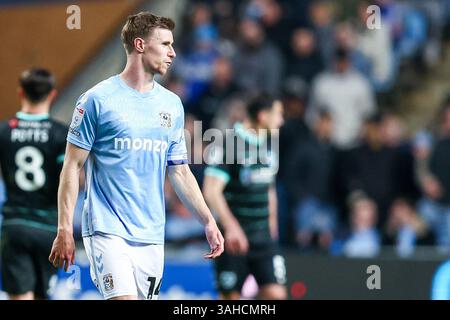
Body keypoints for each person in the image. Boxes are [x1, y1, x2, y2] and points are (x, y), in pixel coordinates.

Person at [48, 12, 224, 301]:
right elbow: (71, 166)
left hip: (152, 233)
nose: (173, 53)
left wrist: (207, 220)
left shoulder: (172, 105)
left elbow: (179, 171)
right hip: (107, 230)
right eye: (165, 44)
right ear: (140, 45)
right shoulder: (97, 100)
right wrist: (64, 227)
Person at [203, 94, 287, 300]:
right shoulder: (228, 143)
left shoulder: (269, 145)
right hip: (233, 238)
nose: (281, 121)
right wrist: (231, 227)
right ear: (262, 115)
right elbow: (211, 191)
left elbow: (269, 187)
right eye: (278, 114)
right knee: (230, 298)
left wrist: (272, 224)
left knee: (276, 294)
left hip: (263, 237)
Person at [0, 68, 67, 300]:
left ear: (20, 92)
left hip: (14, 224)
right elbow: (67, 182)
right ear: (52, 94)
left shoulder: (4, 131)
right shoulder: (61, 134)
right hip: (48, 228)